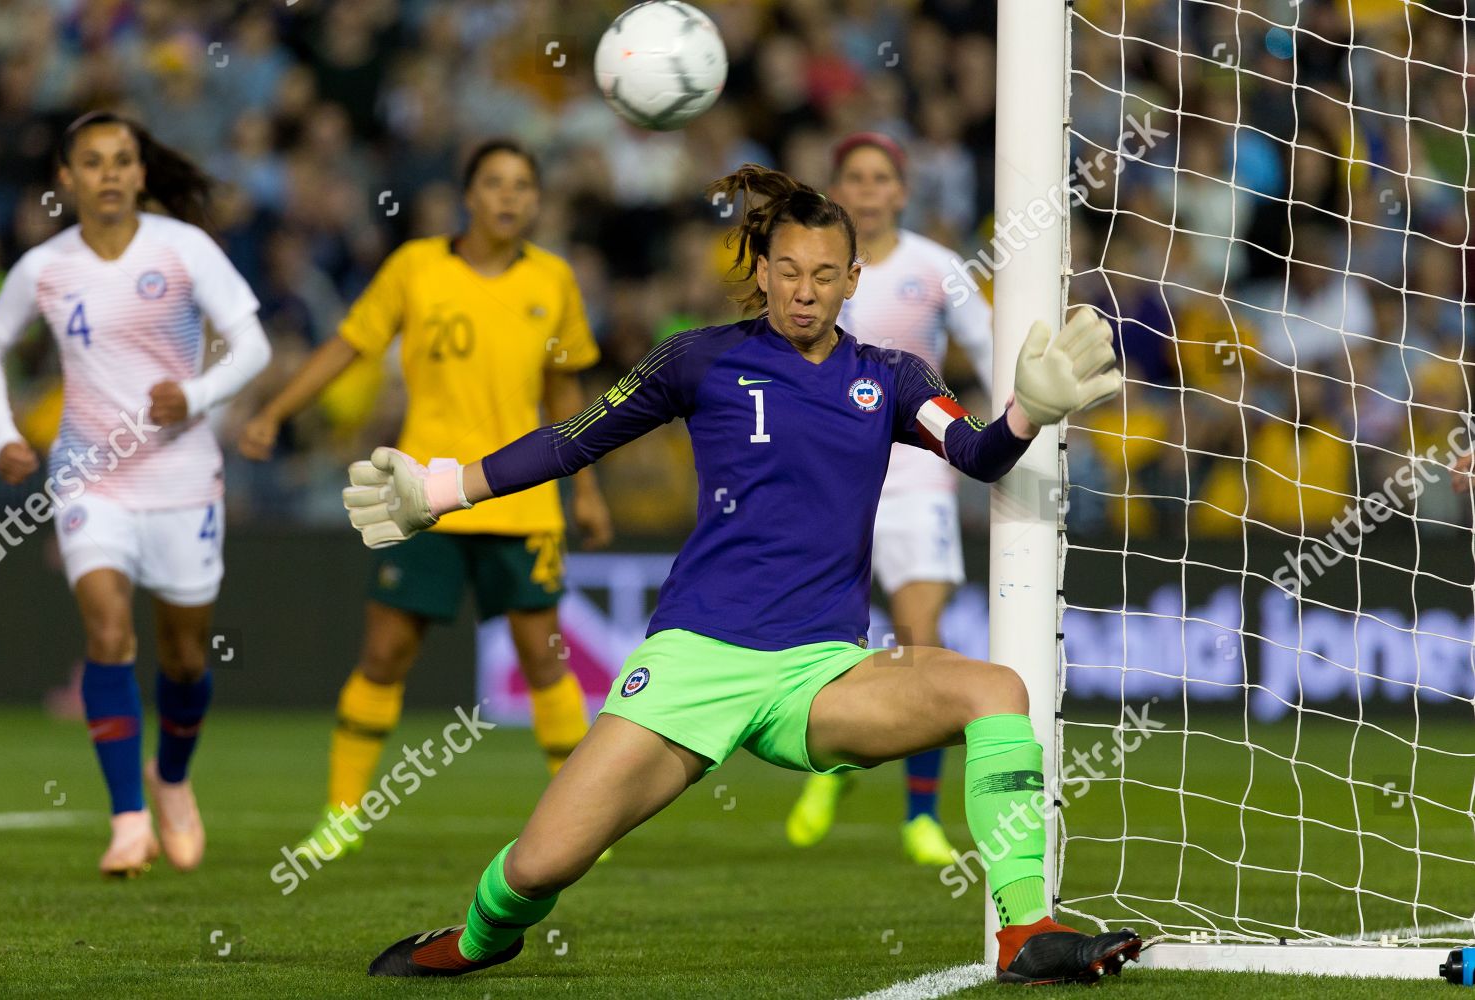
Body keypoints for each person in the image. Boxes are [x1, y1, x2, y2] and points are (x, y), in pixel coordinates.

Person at [344, 165, 1136, 984]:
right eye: (788, 271)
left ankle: (1025, 933)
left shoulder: (892, 378)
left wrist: (1027, 414)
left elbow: (975, 453)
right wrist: (440, 491)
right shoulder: (698, 360)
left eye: (825, 275)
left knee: (997, 690)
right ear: (761, 272)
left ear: (853, 280)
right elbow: (573, 438)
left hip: (821, 673)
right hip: (695, 664)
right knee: (540, 867)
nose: (804, 291)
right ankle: (477, 940)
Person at [238, 139, 612, 861]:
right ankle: (342, 814)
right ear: (468, 195)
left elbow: (566, 393)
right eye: (495, 183)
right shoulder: (416, 266)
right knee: (384, 652)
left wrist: (587, 489)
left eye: (523, 186)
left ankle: (582, 823)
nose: (510, 197)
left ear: (537, 201)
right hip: (423, 496)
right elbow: (349, 344)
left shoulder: (555, 280)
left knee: (544, 660)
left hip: (524, 498)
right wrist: (274, 411)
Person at [0, 111, 271, 876]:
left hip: (181, 480)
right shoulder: (44, 267)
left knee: (183, 657)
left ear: (142, 174)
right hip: (88, 477)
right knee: (108, 635)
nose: (109, 173)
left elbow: (253, 341)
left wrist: (199, 393)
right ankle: (127, 820)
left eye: (123, 160)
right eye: (92, 162)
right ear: (66, 179)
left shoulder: (183, 249)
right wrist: (4, 433)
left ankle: (170, 779)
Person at [785, 131, 996, 866]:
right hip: (830, 476)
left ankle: (919, 816)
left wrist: (1011, 428)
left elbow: (992, 348)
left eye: (881, 179)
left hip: (916, 475)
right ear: (837, 188)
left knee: (920, 639)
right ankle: (837, 766)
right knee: (825, 644)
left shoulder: (937, 268)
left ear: (902, 192)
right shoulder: (815, 273)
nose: (869, 191)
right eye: (855, 178)